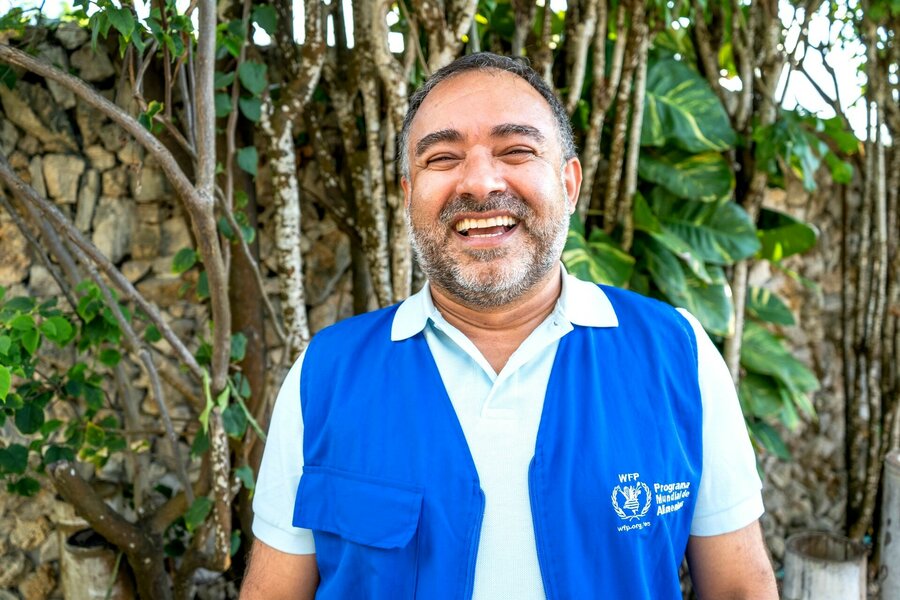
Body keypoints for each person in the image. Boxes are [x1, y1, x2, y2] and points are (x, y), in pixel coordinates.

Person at [241, 52, 777, 599]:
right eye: (443, 157)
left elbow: (740, 587)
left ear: (569, 183)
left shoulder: (677, 355)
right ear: (408, 198)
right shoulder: (325, 376)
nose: (478, 181)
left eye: (516, 149)